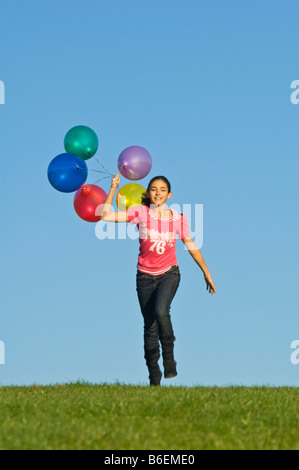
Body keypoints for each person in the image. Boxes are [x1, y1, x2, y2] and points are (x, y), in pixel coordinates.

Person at [101, 173, 216, 386]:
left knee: (162, 312)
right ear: (148, 193)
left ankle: (169, 361)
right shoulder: (140, 212)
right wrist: (113, 188)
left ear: (169, 194)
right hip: (144, 276)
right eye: (153, 189)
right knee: (149, 326)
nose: (158, 193)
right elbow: (105, 216)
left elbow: (190, 245)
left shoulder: (178, 219)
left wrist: (205, 271)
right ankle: (154, 376)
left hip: (169, 273)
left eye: (162, 190)